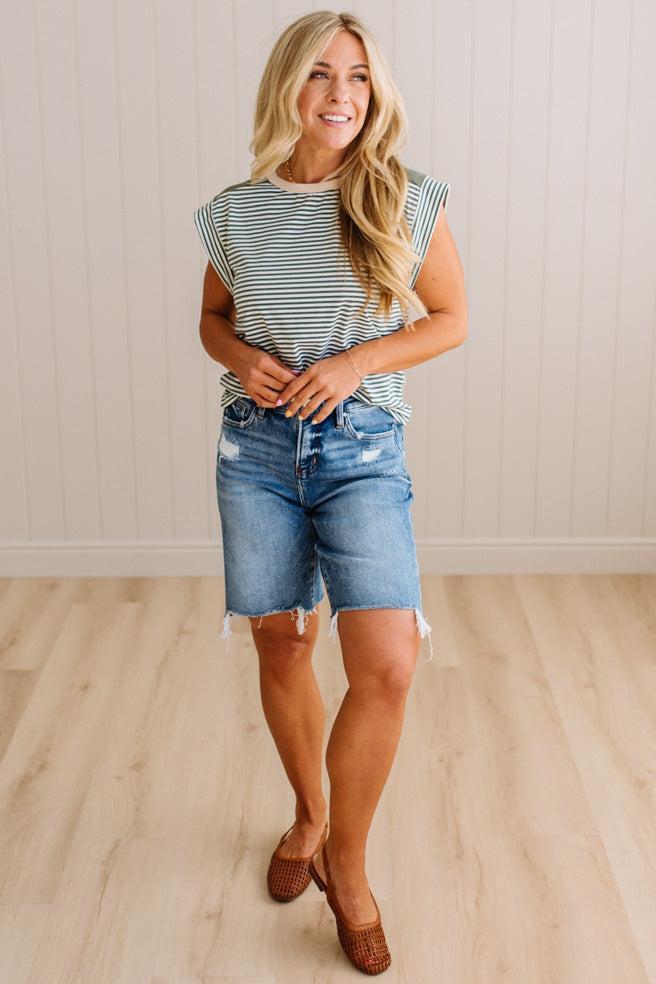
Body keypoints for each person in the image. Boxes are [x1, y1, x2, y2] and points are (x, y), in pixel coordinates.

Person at [193, 10, 467, 976]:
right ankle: (308, 816)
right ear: (286, 89)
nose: (341, 95)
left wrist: (356, 363)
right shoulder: (235, 208)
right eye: (319, 75)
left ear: (375, 92)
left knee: (386, 662)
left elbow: (450, 318)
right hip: (257, 451)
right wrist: (243, 360)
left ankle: (347, 863)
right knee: (282, 640)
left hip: (361, 452)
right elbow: (213, 323)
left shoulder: (404, 195)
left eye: (357, 77)